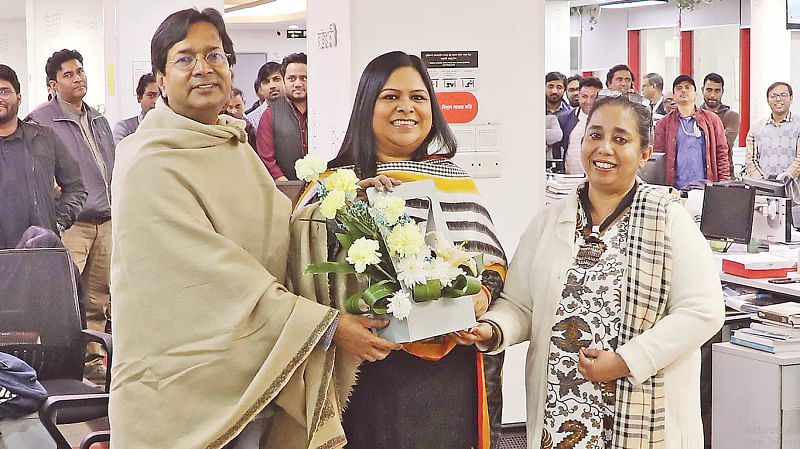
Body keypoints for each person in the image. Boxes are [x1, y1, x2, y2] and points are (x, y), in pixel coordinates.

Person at [109, 8, 397, 449]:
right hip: (189, 390)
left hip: (259, 370)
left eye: (215, 55)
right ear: (160, 79)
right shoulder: (149, 162)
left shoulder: (232, 145)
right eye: (185, 59)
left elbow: (280, 231)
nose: (203, 69)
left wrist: (341, 201)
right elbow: (216, 279)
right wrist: (324, 326)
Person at [456, 93, 725, 449]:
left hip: (642, 415)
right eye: (595, 135)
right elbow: (520, 304)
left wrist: (625, 361)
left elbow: (703, 312)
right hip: (559, 415)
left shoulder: (670, 221)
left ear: (645, 153)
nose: (604, 149)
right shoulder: (549, 222)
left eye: (620, 139)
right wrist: (492, 329)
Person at [321, 50, 507, 449]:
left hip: (452, 365)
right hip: (367, 367)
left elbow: (491, 259)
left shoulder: (454, 178)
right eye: (390, 97)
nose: (406, 108)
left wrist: (481, 296)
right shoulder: (335, 185)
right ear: (367, 106)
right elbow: (301, 276)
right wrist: (338, 327)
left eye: (418, 97)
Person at [25, 48, 116, 383]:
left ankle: (94, 363)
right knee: (64, 299)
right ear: (52, 84)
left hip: (105, 222)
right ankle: (61, 364)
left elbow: (110, 167)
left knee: (98, 298)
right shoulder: (40, 122)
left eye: (80, 71)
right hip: (73, 225)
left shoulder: (98, 119)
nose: (78, 78)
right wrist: (59, 215)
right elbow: (35, 176)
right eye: (68, 74)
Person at [0, 64, 86, 249]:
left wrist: (56, 225)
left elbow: (76, 187)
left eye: (4, 91)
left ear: (19, 97)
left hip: (39, 253)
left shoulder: (44, 138)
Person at [654, 74, 730, 189]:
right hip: (675, 190)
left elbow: (722, 154)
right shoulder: (664, 124)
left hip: (707, 189)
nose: (683, 90)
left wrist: (724, 185)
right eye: (679, 88)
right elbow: (658, 160)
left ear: (695, 94)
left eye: (687, 87)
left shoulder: (712, 120)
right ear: (673, 96)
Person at [256, 53, 307, 181]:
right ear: (284, 81)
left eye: (304, 78)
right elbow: (267, 159)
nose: (298, 84)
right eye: (291, 78)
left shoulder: (323, 112)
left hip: (322, 187)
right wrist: (286, 184)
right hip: (285, 189)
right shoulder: (270, 114)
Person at [745, 81, 800, 179]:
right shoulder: (757, 127)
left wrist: (783, 180)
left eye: (783, 95)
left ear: (791, 99)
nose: (778, 99)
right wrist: (763, 183)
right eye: (773, 96)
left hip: (793, 188)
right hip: (763, 188)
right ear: (767, 100)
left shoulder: (798, 125)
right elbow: (750, 160)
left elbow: (799, 160)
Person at [552, 76, 603, 174]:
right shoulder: (565, 118)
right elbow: (557, 148)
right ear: (579, 96)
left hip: (597, 179)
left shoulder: (608, 120)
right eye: (584, 96)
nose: (588, 101)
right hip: (569, 179)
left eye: (593, 97)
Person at [700, 72, 740, 163]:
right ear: (702, 90)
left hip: (724, 171)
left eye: (717, 91)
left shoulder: (732, 116)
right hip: (700, 170)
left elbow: (724, 144)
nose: (712, 95)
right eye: (709, 90)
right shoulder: (695, 115)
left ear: (722, 92)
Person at [112, 73, 159, 144]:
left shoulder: (170, 127)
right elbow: (122, 153)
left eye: (160, 96)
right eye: (151, 95)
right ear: (139, 98)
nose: (156, 101)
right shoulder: (124, 128)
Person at [244, 61, 284, 128]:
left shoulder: (298, 112)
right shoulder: (250, 121)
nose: (272, 86)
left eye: (276, 79)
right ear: (260, 87)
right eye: (266, 82)